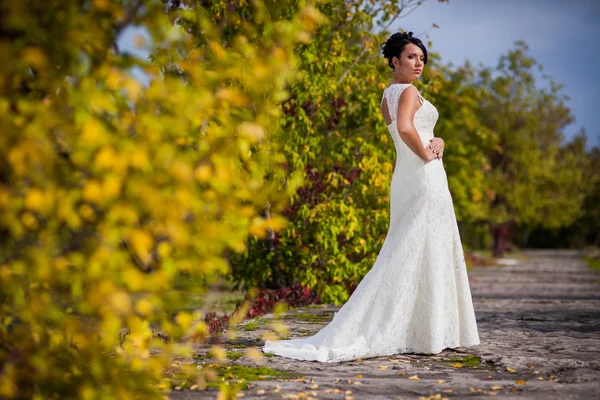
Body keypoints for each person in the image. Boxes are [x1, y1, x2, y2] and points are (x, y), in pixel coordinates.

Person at [262, 31, 480, 362]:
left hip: (406, 175)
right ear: (394, 61)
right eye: (411, 57)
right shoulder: (408, 91)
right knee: (419, 245)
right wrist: (426, 153)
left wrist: (440, 143)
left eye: (422, 58)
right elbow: (407, 129)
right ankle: (429, 331)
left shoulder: (386, 96)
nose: (418, 63)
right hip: (422, 173)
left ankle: (425, 329)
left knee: (412, 245)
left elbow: (408, 131)